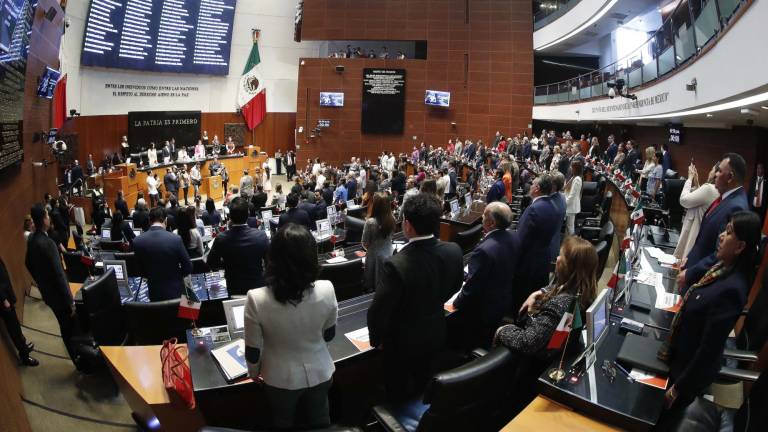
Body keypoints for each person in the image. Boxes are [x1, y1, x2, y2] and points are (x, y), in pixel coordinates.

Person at [660, 211, 761, 416]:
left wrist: (677, 389)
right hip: (679, 355)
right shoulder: (720, 268)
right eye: (725, 229)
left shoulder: (732, 289)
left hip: (686, 375)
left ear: (741, 246)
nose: (722, 235)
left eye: (729, 232)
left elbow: (708, 350)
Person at [367, 193, 463, 400]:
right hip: (437, 331)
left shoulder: (396, 264)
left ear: (407, 225)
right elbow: (455, 286)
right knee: (424, 383)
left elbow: (379, 311)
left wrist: (376, 340)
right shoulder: (454, 250)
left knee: (398, 393)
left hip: (402, 344)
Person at [244, 223, 337, 429]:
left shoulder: (256, 298)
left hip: (279, 379)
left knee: (283, 422)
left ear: (272, 258)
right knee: (321, 421)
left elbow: (252, 350)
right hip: (321, 371)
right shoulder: (327, 288)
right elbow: (329, 335)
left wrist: (253, 373)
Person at [496, 236, 598, 357]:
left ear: (567, 267)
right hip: (559, 346)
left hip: (535, 361)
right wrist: (539, 292)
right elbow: (558, 286)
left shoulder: (558, 306)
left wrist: (502, 330)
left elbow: (527, 342)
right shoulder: (585, 290)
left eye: (561, 256)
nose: (558, 258)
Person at [452, 202, 520, 349]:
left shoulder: (484, 250)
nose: (482, 217)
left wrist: (455, 304)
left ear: (491, 222)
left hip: (482, 309)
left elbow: (472, 288)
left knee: (473, 337)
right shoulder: (514, 236)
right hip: (502, 300)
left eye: (484, 215)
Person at [678, 153, 749, 291]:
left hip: (701, 280)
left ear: (730, 177)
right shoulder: (725, 199)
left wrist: (690, 273)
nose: (715, 174)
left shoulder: (736, 207)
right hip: (694, 268)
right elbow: (704, 238)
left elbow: (721, 253)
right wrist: (689, 258)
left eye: (720, 171)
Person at [25, 204, 80, 368]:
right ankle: (78, 359)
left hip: (49, 294)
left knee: (64, 326)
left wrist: (42, 283)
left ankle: (75, 356)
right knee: (70, 328)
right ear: (44, 219)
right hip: (60, 297)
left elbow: (27, 263)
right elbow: (59, 274)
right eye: (47, 216)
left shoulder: (32, 240)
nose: (49, 218)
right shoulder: (48, 243)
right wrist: (71, 302)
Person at [513, 173, 562, 314]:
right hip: (543, 259)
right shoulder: (554, 205)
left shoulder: (533, 209)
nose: (530, 186)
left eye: (533, 184)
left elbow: (520, 241)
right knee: (534, 299)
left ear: (537, 189)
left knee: (521, 301)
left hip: (526, 264)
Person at [207, 197, 269, 295]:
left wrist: (227, 263)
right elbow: (269, 263)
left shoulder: (221, 238)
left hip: (233, 289)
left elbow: (211, 263)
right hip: (258, 290)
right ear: (248, 214)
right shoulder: (261, 236)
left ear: (230, 216)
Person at [132, 207, 192, 301]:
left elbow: (139, 271)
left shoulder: (137, 241)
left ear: (149, 221)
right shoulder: (176, 239)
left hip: (153, 293)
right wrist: (175, 274)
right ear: (166, 220)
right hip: (177, 294)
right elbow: (188, 267)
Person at [1, 257, 37, 366]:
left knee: (15, 326)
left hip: (6, 295)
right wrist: (4, 299)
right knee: (14, 329)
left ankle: (23, 346)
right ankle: (24, 356)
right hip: (3, 301)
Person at [361, 193, 395, 293]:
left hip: (374, 258)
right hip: (389, 253)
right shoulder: (392, 219)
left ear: (375, 206)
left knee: (372, 290)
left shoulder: (370, 222)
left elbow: (365, 242)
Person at [564, 159, 583, 235]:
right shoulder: (573, 177)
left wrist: (564, 204)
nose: (570, 168)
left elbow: (572, 196)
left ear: (575, 168)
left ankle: (573, 243)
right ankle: (568, 241)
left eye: (571, 167)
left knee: (570, 227)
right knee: (568, 226)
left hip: (571, 206)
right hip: (570, 205)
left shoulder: (577, 179)